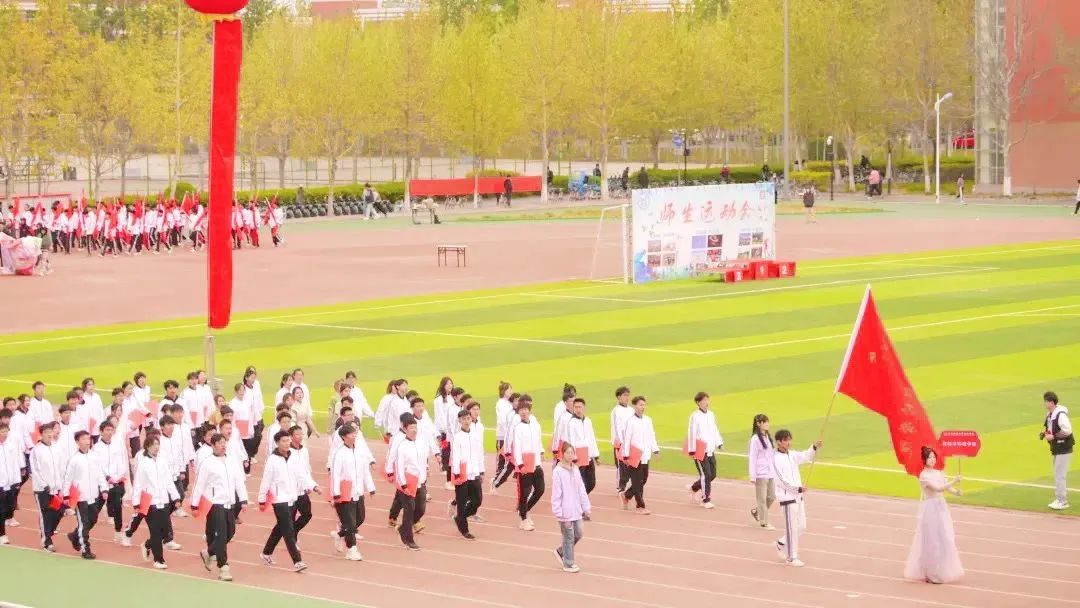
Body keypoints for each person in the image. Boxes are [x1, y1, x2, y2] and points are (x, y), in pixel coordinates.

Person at [190, 432, 248, 581]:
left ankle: (209, 552)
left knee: (230, 532)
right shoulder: (207, 463)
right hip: (215, 503)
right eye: (220, 443)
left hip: (230, 503)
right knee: (221, 535)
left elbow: (238, 481)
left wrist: (243, 499)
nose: (223, 445)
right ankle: (223, 567)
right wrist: (194, 504)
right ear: (213, 445)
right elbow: (199, 484)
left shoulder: (231, 461)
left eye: (224, 443)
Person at [904, 446, 964, 584]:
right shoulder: (923, 476)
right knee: (932, 541)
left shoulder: (938, 473)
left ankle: (939, 570)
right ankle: (930, 573)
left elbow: (947, 487)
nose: (932, 459)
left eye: (933, 457)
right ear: (924, 460)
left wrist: (956, 492)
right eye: (929, 457)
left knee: (944, 537)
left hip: (941, 507)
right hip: (930, 509)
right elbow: (938, 488)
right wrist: (955, 480)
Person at [257, 430, 307, 572]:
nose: (287, 443)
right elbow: (266, 480)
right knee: (288, 529)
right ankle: (297, 561)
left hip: (291, 498)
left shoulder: (293, 457)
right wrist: (261, 498)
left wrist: (311, 486)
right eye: (283, 441)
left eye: (288, 440)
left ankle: (266, 552)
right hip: (279, 500)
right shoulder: (272, 460)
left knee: (280, 527)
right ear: (277, 443)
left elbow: (301, 475)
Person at [772, 429, 822, 567]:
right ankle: (791, 557)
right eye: (785, 440)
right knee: (792, 529)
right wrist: (797, 489)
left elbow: (806, 456)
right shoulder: (775, 459)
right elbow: (780, 481)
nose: (788, 442)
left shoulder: (792, 455)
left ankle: (781, 543)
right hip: (787, 499)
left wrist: (814, 447)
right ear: (779, 442)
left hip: (798, 498)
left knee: (801, 526)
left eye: (789, 439)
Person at [132, 434, 180, 570]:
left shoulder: (162, 461)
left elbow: (169, 481)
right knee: (155, 532)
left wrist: (176, 497)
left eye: (158, 444)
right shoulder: (143, 464)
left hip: (163, 501)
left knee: (165, 531)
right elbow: (138, 484)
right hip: (150, 503)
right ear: (147, 446)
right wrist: (136, 502)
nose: (156, 447)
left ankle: (147, 545)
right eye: (154, 444)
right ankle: (158, 560)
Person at [330, 424, 374, 561]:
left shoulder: (360, 452)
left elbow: (365, 471)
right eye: (351, 434)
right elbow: (335, 474)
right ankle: (351, 550)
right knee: (349, 522)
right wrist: (336, 493)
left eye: (355, 433)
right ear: (344, 437)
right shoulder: (339, 453)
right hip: (344, 492)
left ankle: (339, 534)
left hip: (358, 491)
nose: (354, 435)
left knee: (360, 518)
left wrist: (370, 487)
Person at [62, 430, 108, 560]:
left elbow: (100, 474)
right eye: (83, 439)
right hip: (80, 497)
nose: (87, 441)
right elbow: (67, 478)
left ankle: (74, 536)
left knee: (92, 520)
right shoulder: (74, 460)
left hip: (93, 495)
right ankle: (85, 549)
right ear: (77, 442)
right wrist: (66, 495)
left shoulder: (94, 457)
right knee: (84, 523)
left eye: (88, 438)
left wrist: (104, 489)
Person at [551, 442, 591, 573]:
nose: (570, 455)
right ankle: (568, 563)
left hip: (576, 509)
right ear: (562, 454)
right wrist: (558, 512)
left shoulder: (575, 469)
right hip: (564, 511)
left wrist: (586, 507)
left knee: (579, 533)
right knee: (568, 536)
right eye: (567, 453)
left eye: (572, 453)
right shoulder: (558, 472)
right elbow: (556, 493)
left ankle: (561, 551)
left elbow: (581, 489)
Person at [394, 416, 429, 550]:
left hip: (420, 481)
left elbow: (424, 460)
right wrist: (403, 485)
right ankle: (408, 539)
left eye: (415, 427)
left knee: (421, 509)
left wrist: (426, 471)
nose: (414, 430)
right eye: (411, 428)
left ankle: (403, 528)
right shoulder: (402, 446)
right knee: (409, 511)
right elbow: (399, 467)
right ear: (405, 429)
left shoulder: (421, 443)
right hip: (408, 483)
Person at [619, 396, 658, 514]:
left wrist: (655, 450)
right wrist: (626, 456)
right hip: (634, 456)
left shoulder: (648, 420)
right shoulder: (630, 422)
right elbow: (627, 439)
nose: (643, 407)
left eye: (644, 405)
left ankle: (627, 495)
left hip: (645, 455)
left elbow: (652, 435)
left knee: (643, 479)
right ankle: (640, 506)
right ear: (634, 406)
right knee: (637, 481)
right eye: (640, 405)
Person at [90, 420, 128, 542]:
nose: (109, 432)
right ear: (101, 432)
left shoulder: (116, 446)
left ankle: (118, 531)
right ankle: (80, 532)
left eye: (111, 430)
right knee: (94, 511)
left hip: (115, 483)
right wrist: (107, 478)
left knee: (118, 508)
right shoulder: (96, 448)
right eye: (107, 430)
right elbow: (97, 466)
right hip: (102, 485)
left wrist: (119, 476)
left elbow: (121, 463)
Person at [449, 409, 483, 539]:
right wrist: (457, 473)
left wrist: (481, 470)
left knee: (477, 500)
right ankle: (465, 530)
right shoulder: (457, 437)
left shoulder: (475, 435)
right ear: (459, 421)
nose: (466, 421)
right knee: (462, 503)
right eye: (463, 419)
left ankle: (460, 518)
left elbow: (479, 453)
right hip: (462, 475)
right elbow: (455, 456)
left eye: (468, 418)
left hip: (474, 473)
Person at [686, 392, 723, 509]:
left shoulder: (711, 414)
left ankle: (694, 488)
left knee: (712, 475)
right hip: (699, 449)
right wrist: (692, 449)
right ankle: (705, 499)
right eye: (704, 400)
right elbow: (691, 432)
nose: (706, 402)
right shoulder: (695, 416)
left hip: (710, 448)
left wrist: (719, 443)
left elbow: (715, 430)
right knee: (705, 475)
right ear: (698, 403)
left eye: (707, 400)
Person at [30, 421, 64, 552]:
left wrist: (61, 484)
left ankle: (48, 531)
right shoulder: (36, 450)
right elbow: (35, 470)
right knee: (45, 514)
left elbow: (61, 467)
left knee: (59, 511)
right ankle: (46, 542)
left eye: (51, 432)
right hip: (42, 489)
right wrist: (44, 485)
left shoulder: (56, 448)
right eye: (46, 432)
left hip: (56, 488)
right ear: (41, 434)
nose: (49, 434)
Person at [512, 396, 544, 531]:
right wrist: (520, 465)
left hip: (536, 463)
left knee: (540, 489)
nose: (523, 412)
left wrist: (541, 451)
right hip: (525, 465)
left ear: (529, 410)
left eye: (525, 409)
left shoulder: (535, 425)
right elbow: (517, 448)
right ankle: (524, 519)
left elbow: (538, 440)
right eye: (521, 410)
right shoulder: (518, 428)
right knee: (524, 493)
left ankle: (524, 510)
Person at [561, 397, 599, 497]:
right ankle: (577, 501)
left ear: (584, 408)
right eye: (576, 407)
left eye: (580, 407)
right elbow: (571, 441)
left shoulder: (588, 421)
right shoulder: (571, 423)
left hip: (588, 457)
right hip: (578, 458)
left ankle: (578, 499)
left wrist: (596, 455)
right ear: (573, 408)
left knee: (591, 483)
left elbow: (592, 438)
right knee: (578, 483)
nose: (578, 409)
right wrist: (573, 457)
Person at [1041, 391, 1072, 510]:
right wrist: (1045, 434)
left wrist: (1053, 436)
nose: (1045, 403)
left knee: (1060, 475)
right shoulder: (1051, 414)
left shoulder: (1060, 415)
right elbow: (1050, 428)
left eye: (1046, 401)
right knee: (1058, 474)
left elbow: (1067, 431)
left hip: (1063, 448)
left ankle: (1062, 501)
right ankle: (1059, 499)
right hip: (1057, 448)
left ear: (1052, 402)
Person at [748, 414, 776, 530]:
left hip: (770, 472)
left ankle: (757, 511)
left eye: (767, 421)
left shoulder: (767, 437)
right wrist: (753, 476)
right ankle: (764, 522)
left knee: (772, 496)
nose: (767, 424)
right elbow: (752, 457)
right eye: (764, 422)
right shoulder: (755, 439)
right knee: (762, 499)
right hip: (760, 473)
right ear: (758, 424)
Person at [491, 381, 514, 494]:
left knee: (506, 462)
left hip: (509, 436)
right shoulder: (501, 403)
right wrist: (508, 433)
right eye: (509, 389)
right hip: (503, 436)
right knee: (503, 461)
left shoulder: (509, 403)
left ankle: (496, 480)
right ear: (504, 391)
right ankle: (495, 482)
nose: (511, 391)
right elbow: (502, 420)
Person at [610, 386, 633, 495]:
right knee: (621, 465)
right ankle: (621, 486)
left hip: (630, 442)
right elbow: (617, 427)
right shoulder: (616, 411)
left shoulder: (631, 410)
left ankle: (626, 483)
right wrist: (621, 442)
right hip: (619, 442)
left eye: (628, 395)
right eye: (624, 395)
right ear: (619, 397)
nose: (627, 397)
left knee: (630, 464)